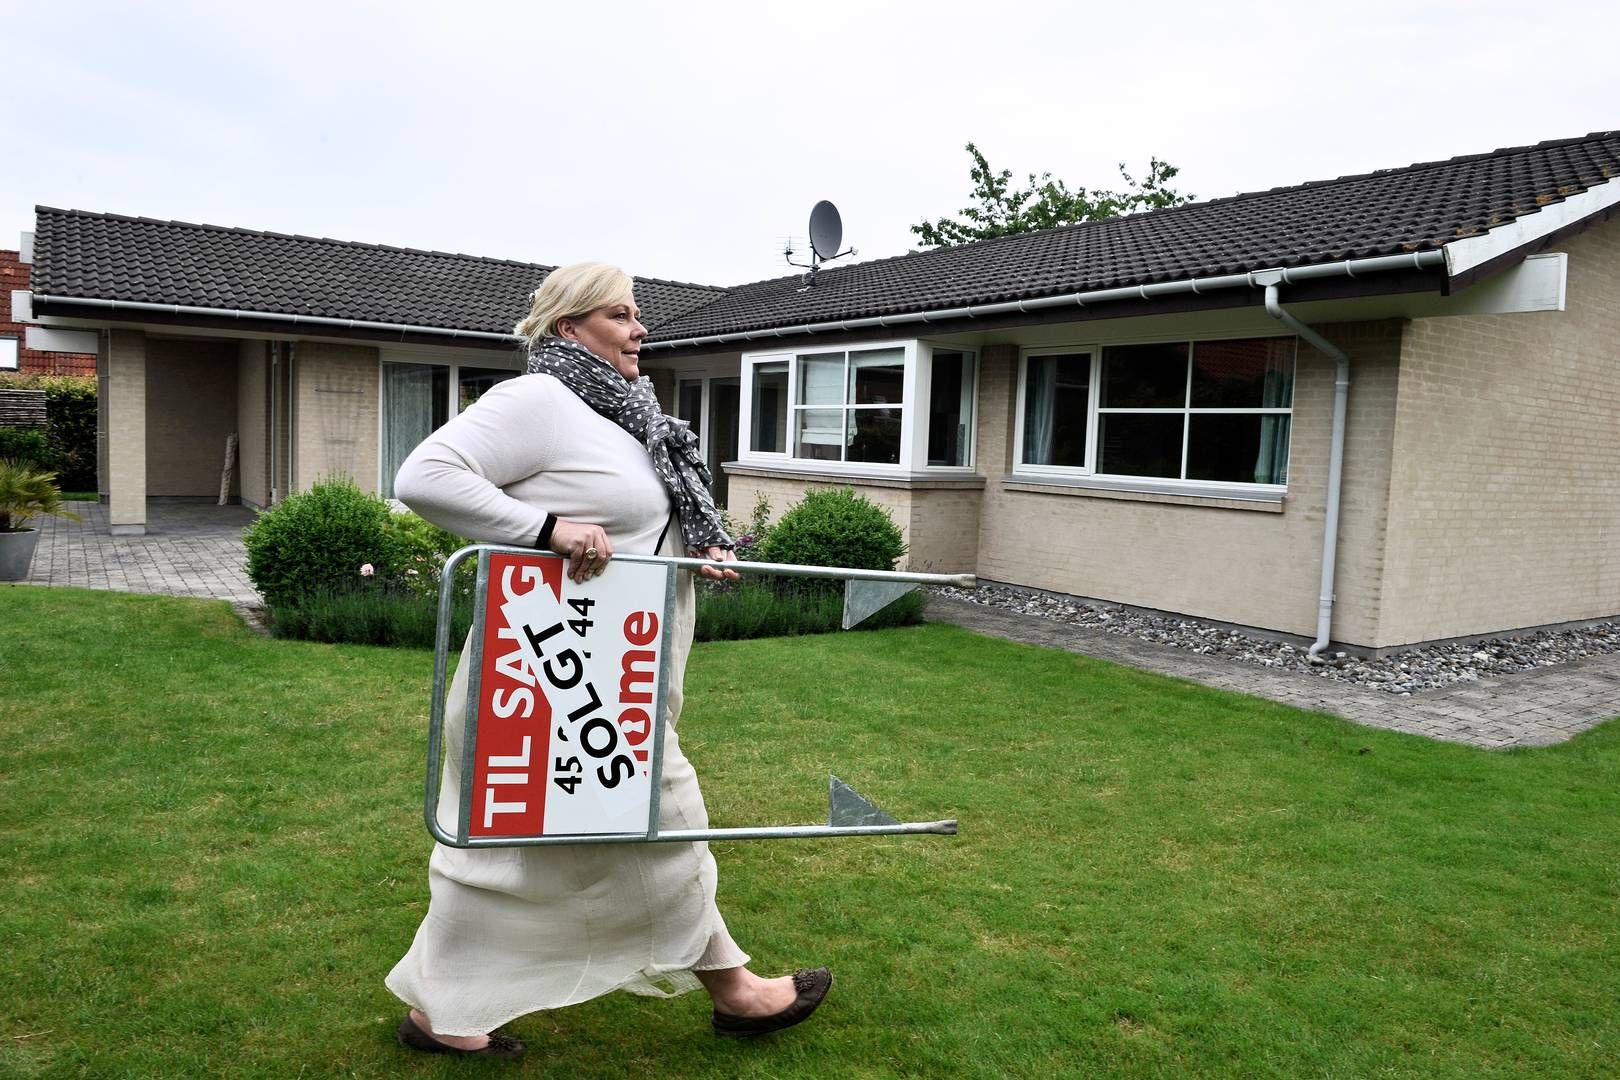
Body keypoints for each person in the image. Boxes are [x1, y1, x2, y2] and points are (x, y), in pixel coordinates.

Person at [385, 263, 831, 1059]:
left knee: (513, 855)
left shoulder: (630, 414)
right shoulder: (539, 402)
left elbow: (638, 527)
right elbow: (423, 477)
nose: (640, 328)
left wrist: (702, 547)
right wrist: (547, 529)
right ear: (568, 328)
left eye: (639, 314)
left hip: (614, 668)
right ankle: (736, 990)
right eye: (621, 314)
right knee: (663, 815)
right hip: (547, 679)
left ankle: (439, 1016)